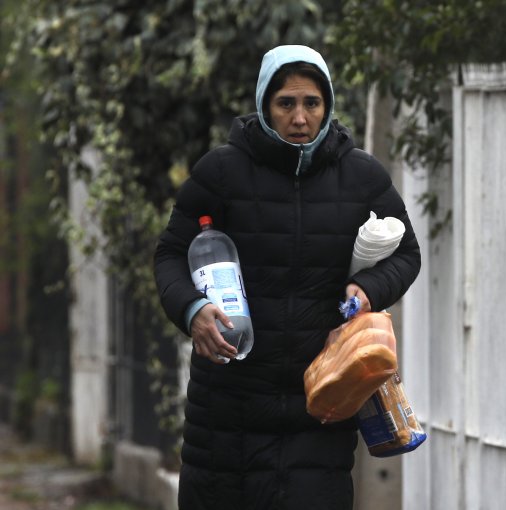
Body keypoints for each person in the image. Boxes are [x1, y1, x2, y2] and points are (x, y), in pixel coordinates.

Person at [153, 45, 421, 510]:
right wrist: (193, 311)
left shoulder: (360, 176)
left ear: (327, 106)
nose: (300, 117)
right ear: (265, 105)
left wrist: (369, 288)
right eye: (286, 103)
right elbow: (171, 255)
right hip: (226, 415)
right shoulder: (220, 172)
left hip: (319, 408)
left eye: (311, 103)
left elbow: (407, 254)